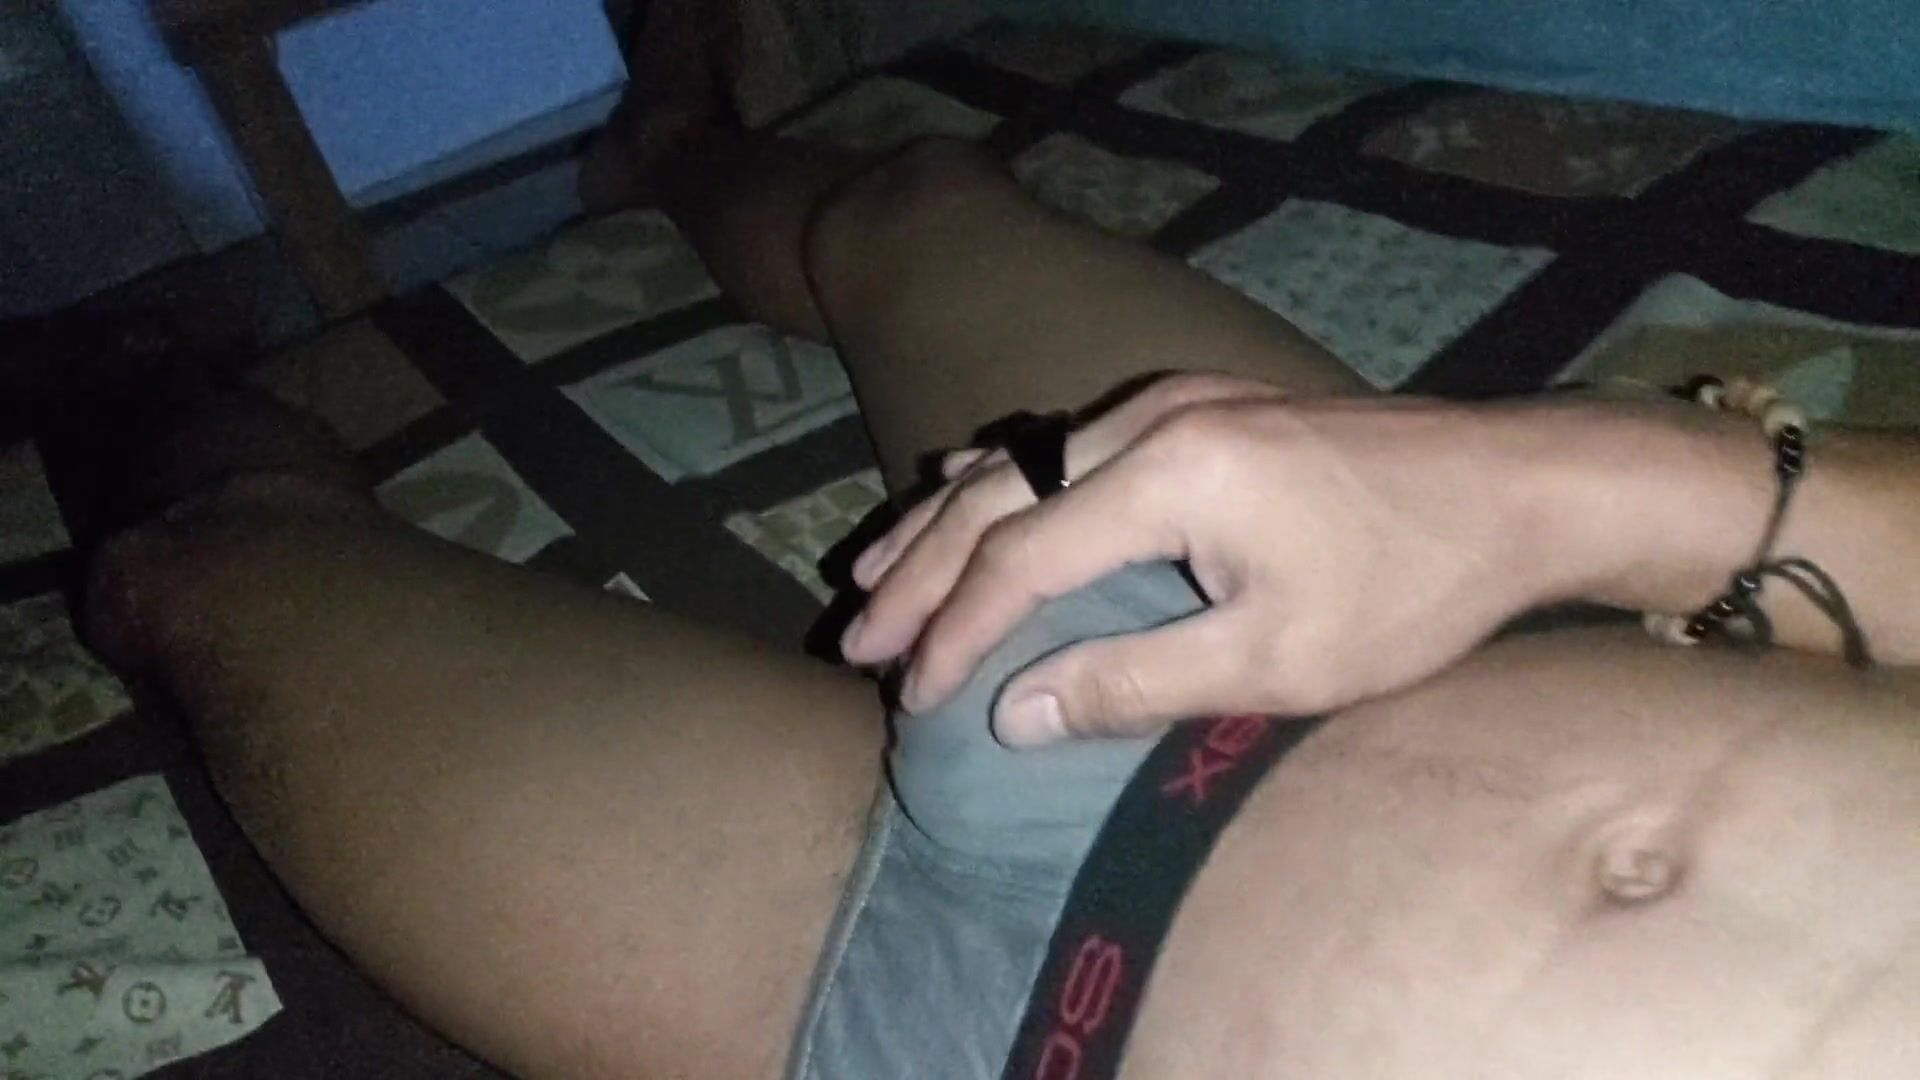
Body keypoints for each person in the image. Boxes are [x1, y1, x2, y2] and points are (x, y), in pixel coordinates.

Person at [70, 18, 1918, 1079]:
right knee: (918, 202)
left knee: (197, 578)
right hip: (1369, 629)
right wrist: (1587, 485)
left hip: (969, 1025)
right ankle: (673, 150)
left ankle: (108, 369)